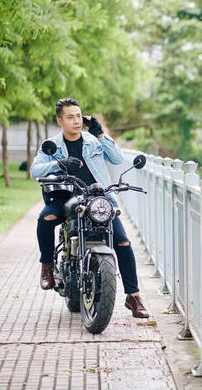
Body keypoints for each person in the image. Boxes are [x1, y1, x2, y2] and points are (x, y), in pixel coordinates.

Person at [30, 98, 149, 318]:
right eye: (69, 117)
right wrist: (59, 164)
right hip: (65, 197)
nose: (75, 121)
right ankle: (46, 264)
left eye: (78, 116)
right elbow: (35, 170)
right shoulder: (52, 146)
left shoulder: (93, 141)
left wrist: (100, 134)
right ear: (60, 121)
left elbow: (117, 158)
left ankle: (133, 296)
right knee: (45, 219)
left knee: (122, 242)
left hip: (97, 197)